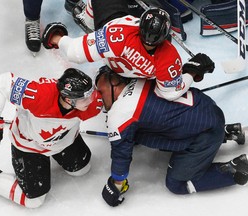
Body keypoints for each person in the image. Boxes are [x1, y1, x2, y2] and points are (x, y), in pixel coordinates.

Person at [95, 65, 248, 207]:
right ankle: (226, 131)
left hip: (206, 133)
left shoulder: (120, 113)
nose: (99, 99)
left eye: (101, 92)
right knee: (146, 129)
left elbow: (121, 155)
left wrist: (116, 184)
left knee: (176, 183)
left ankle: (234, 170)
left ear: (114, 82)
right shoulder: (141, 77)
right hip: (207, 107)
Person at [0, 68, 103, 208]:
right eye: (85, 97)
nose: (92, 99)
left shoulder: (91, 104)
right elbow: (1, 83)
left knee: (81, 169)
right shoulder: (39, 95)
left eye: (91, 93)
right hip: (30, 146)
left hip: (64, 140)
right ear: (68, 99)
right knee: (34, 201)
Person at [42, 0, 215, 101]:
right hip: (134, 78)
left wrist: (56, 38)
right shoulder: (169, 57)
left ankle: (88, 15)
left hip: (112, 48)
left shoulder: (118, 35)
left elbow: (75, 52)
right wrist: (191, 71)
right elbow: (170, 93)